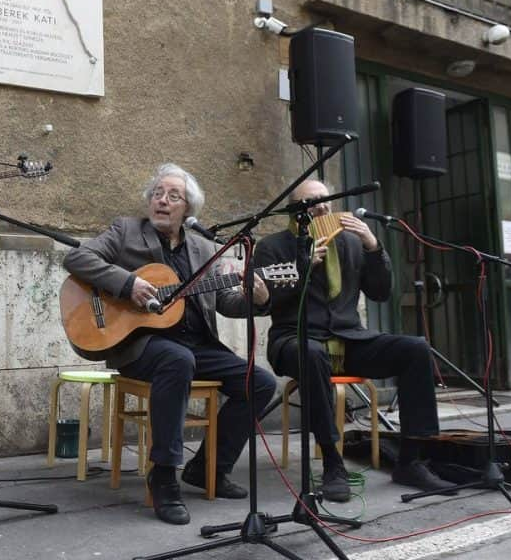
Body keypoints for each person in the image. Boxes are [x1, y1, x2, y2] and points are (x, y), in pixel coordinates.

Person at [62, 163, 276, 525]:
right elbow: (77, 257)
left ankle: (208, 466)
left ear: (187, 209)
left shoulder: (204, 247)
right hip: (141, 344)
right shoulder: (126, 230)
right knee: (177, 360)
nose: (162, 201)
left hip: (198, 346)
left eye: (172, 196)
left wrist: (258, 298)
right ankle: (163, 475)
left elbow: (225, 303)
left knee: (261, 382)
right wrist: (127, 284)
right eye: (157, 194)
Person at [253, 179, 455, 502]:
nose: (321, 206)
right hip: (295, 338)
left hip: (350, 339)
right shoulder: (272, 247)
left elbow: (380, 292)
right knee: (313, 352)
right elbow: (265, 303)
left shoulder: (350, 242)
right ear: (295, 210)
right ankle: (333, 463)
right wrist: (303, 268)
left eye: (326, 200)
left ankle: (411, 460)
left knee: (415, 349)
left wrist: (374, 247)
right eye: (311, 202)